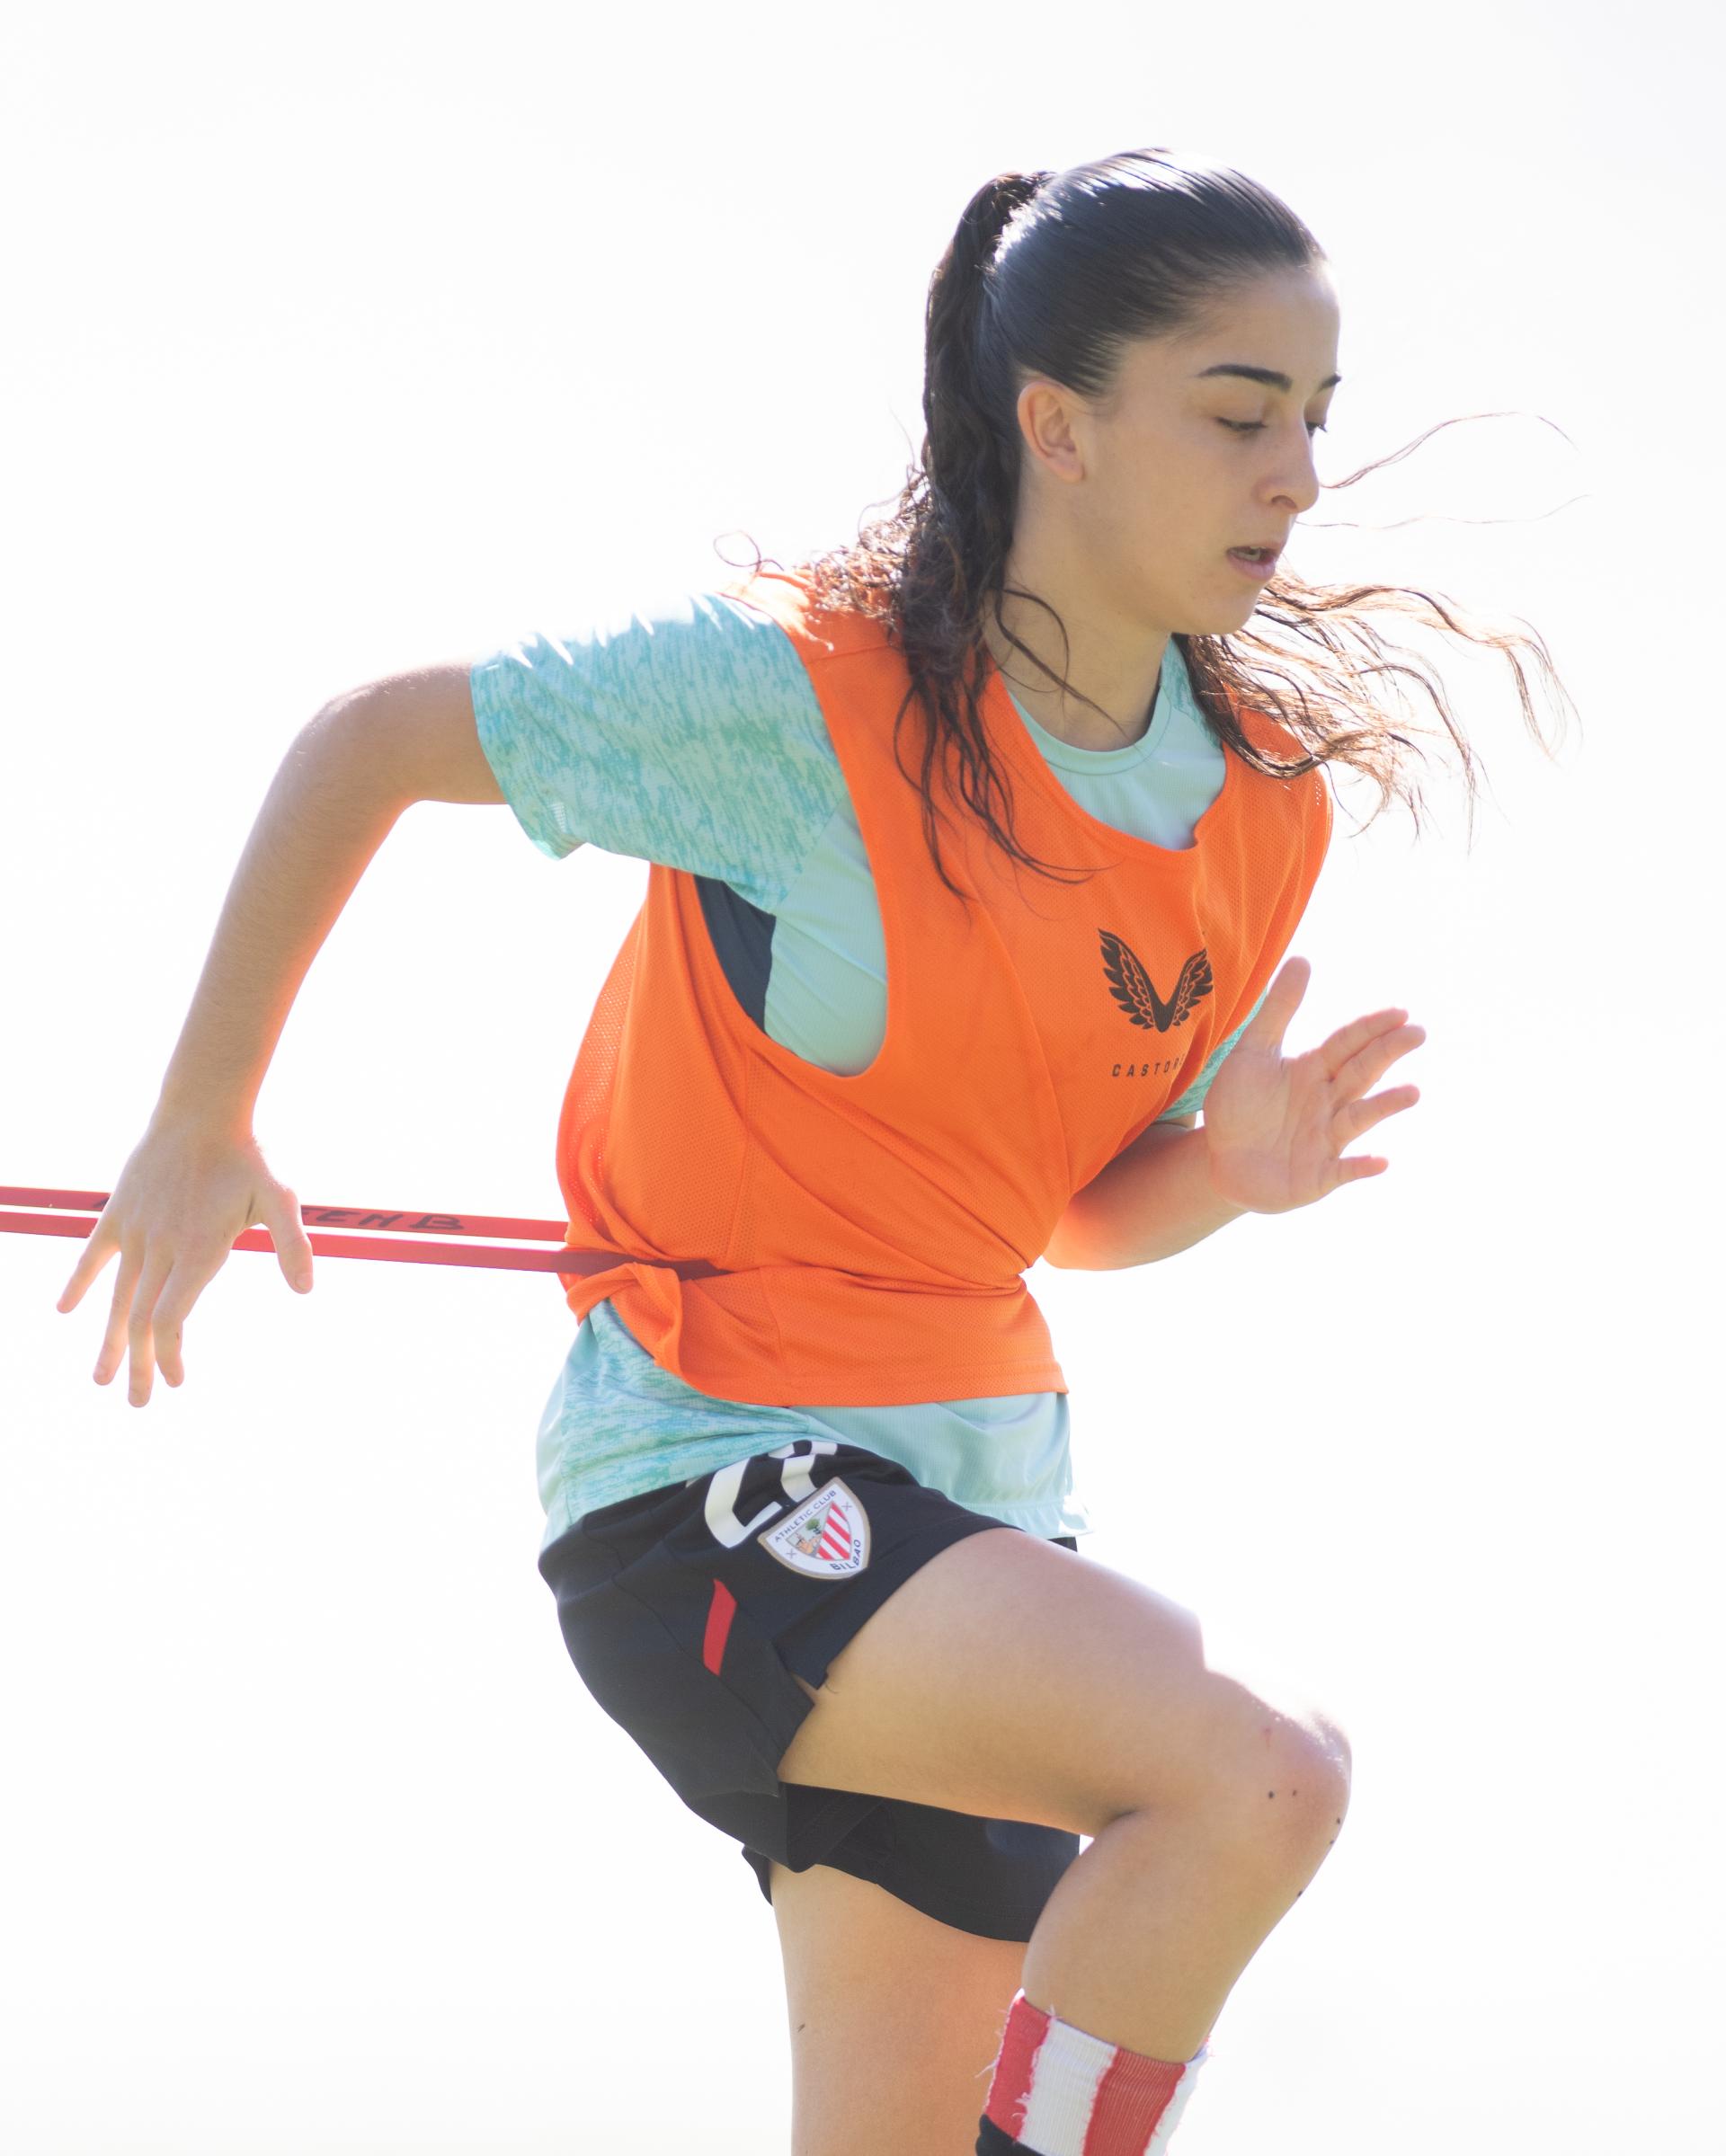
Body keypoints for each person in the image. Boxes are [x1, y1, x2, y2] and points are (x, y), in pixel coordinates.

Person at [55, 148, 1571, 2156]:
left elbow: (1058, 1217)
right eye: (1237, 415)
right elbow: (370, 740)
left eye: (1314, 416)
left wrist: (1228, 1167)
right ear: (1058, 427)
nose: (1296, 475)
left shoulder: (1252, 812)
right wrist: (202, 1115)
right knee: (1262, 1773)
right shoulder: (795, 694)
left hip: (985, 1514)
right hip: (718, 1484)